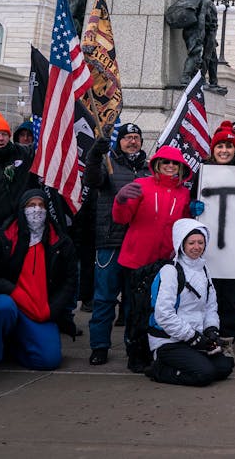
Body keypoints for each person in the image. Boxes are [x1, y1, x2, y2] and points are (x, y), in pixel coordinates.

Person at [112, 145, 194, 370]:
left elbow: (185, 226)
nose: (170, 166)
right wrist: (119, 201)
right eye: (166, 162)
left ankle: (155, 351)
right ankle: (135, 354)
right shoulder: (141, 186)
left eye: (174, 163)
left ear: (180, 167)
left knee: (161, 310)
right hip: (137, 260)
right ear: (157, 164)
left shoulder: (184, 194)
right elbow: (122, 218)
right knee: (135, 310)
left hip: (166, 263)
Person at [0, 189, 76, 370]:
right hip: (10, 304)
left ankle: (15, 347)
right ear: (21, 209)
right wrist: (10, 290)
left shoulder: (61, 242)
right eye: (31, 205)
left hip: (40, 311)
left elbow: (69, 281)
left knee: (49, 361)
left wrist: (52, 309)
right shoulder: (1, 238)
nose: (36, 210)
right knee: (1, 307)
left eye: (41, 205)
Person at [84, 123, 149, 366]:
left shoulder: (148, 169)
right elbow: (91, 179)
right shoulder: (107, 164)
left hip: (138, 244)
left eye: (136, 137)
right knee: (104, 299)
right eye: (127, 138)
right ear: (118, 142)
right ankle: (99, 346)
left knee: (134, 301)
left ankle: (133, 344)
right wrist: (94, 154)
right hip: (110, 242)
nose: (132, 141)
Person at [147, 219, 234, 387]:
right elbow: (163, 315)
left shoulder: (203, 269)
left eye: (200, 242)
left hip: (195, 338)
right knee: (204, 375)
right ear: (182, 244)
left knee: (225, 367)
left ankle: (192, 361)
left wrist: (211, 330)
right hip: (169, 341)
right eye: (191, 243)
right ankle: (159, 369)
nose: (196, 247)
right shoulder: (170, 271)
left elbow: (210, 306)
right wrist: (192, 336)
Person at [205, 123, 235, 342]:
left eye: (228, 146)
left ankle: (228, 336)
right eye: (220, 146)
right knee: (211, 293)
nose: (224, 150)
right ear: (213, 149)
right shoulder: (202, 173)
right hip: (210, 247)